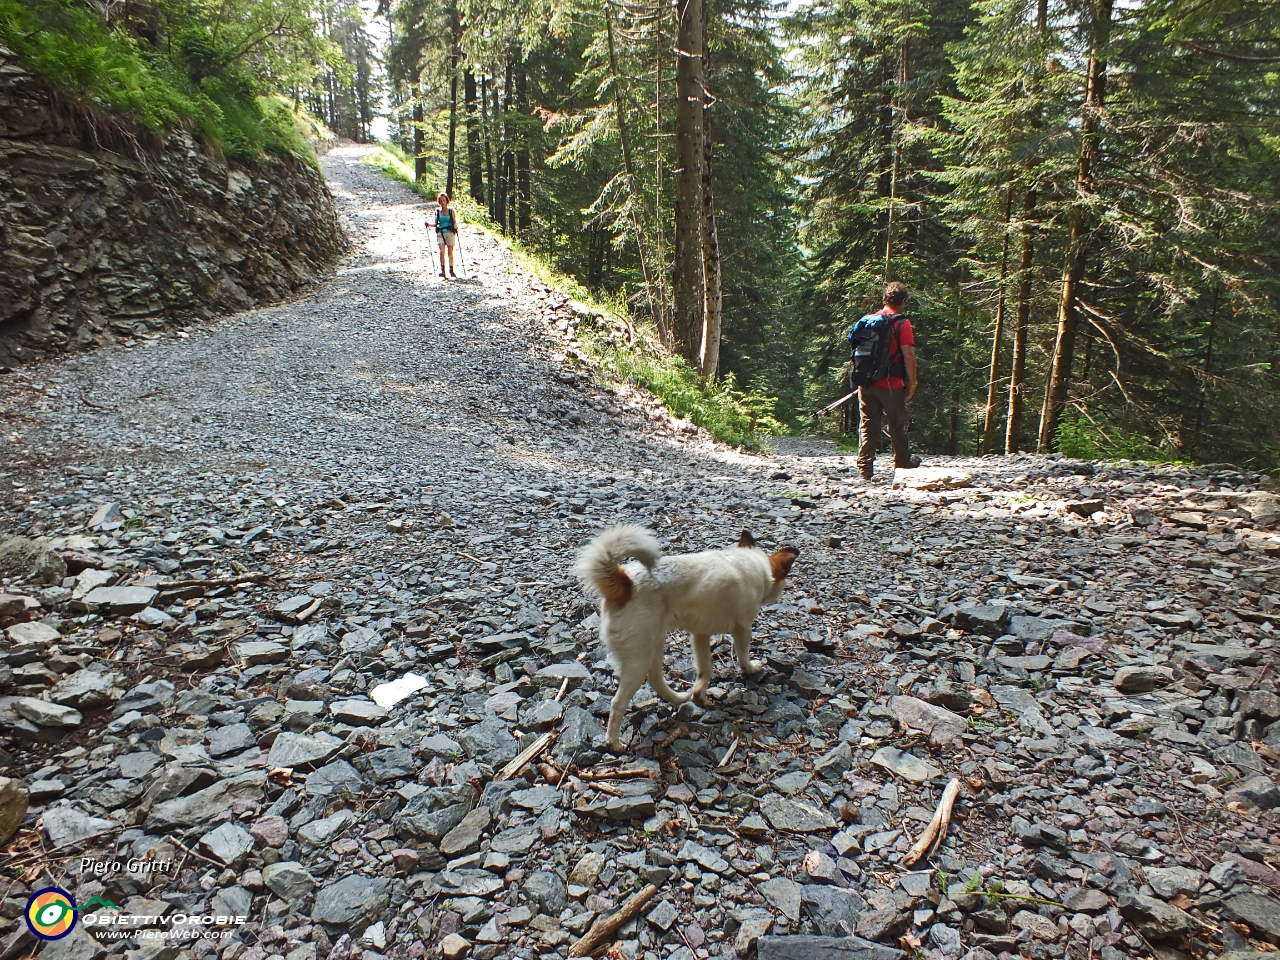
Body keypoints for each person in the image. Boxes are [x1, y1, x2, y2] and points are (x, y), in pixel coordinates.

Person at [857, 281, 921, 480]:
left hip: (866, 381)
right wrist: (912, 382)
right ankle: (902, 465)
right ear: (903, 301)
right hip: (891, 383)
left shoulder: (868, 320)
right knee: (897, 423)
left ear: (884, 299)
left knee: (868, 424)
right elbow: (908, 355)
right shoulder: (902, 323)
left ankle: (865, 469)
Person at [433, 193, 460, 279]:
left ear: (447, 201)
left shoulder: (451, 211)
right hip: (441, 233)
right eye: (441, 201)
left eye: (444, 200)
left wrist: (455, 227)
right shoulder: (437, 212)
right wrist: (428, 224)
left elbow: (454, 222)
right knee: (441, 251)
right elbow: (435, 223)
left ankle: (451, 270)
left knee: (450, 253)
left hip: (450, 233)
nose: (442, 202)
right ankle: (443, 270)